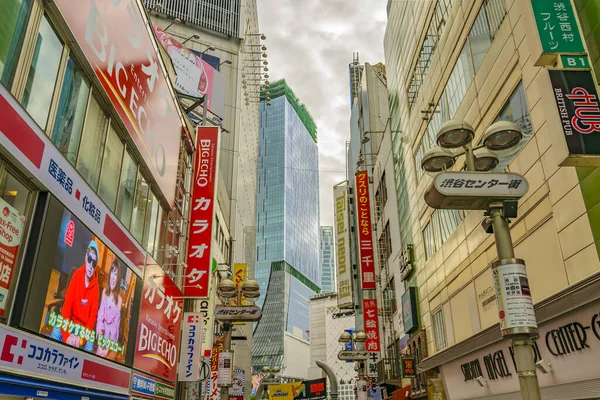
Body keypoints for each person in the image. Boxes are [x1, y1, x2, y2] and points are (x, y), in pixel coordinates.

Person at [50, 240, 100, 352]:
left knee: (89, 351)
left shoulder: (96, 287)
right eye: (89, 259)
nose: (91, 265)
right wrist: (67, 336)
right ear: (85, 258)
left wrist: (81, 339)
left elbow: (92, 318)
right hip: (69, 323)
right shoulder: (77, 275)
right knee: (54, 336)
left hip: (84, 331)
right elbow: (67, 307)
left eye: (94, 263)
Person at [95, 259, 122, 358]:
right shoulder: (104, 293)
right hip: (102, 339)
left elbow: (115, 329)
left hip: (111, 342)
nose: (113, 277)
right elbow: (100, 320)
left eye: (116, 274)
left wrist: (106, 349)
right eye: (112, 272)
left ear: (118, 278)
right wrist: (100, 344)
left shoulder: (119, 300)